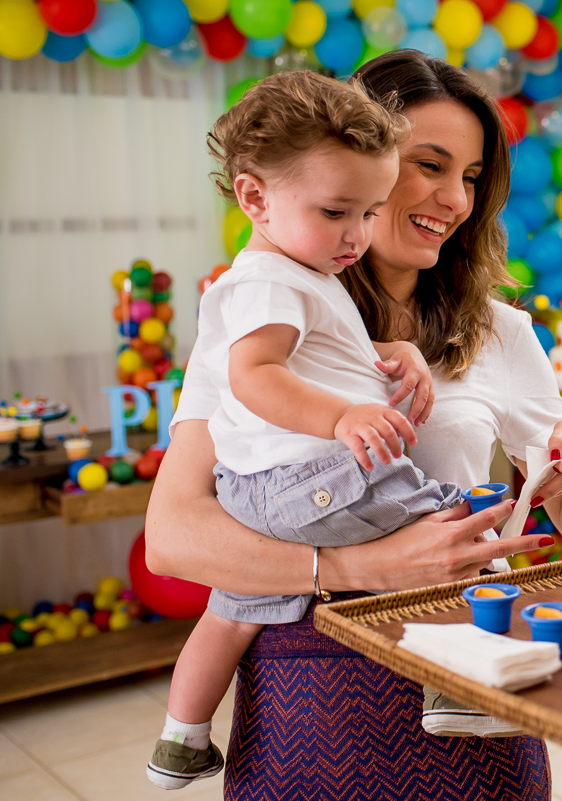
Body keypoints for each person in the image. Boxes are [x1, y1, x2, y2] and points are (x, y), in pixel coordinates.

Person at [146, 50, 562, 800]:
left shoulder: (500, 331)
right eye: (428, 164)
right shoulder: (258, 315)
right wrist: (352, 570)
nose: (454, 199)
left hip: (475, 674)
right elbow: (174, 537)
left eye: (471, 177)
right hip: (310, 685)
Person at [146, 70, 494, 789]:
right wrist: (342, 416)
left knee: (230, 611)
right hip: (314, 481)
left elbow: (320, 354)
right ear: (253, 197)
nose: (355, 235)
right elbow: (256, 375)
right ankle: (454, 685)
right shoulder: (272, 280)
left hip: (261, 497)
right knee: (461, 530)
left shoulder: (291, 276)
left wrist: (388, 355)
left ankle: (181, 736)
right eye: (339, 211)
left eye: (368, 212)